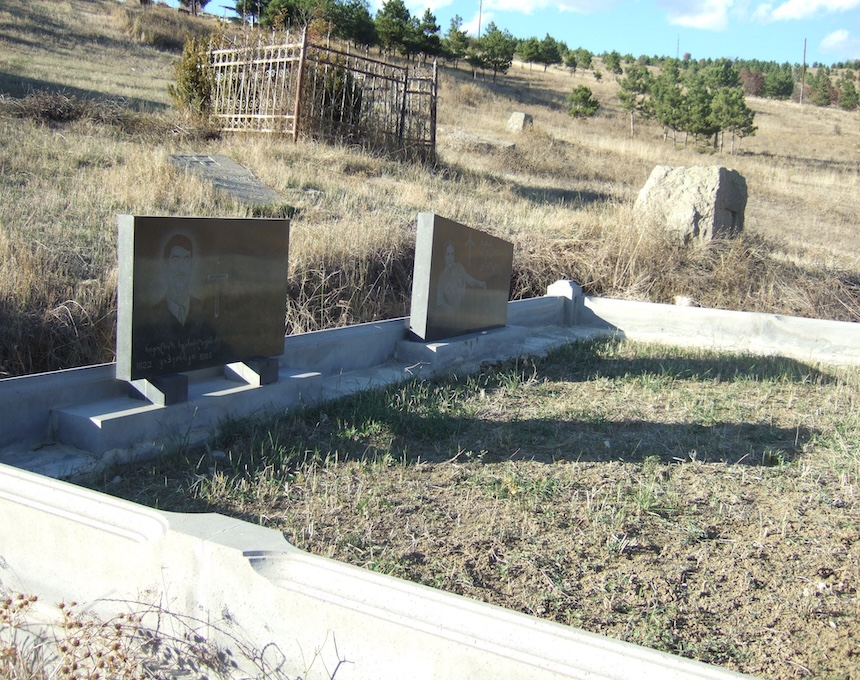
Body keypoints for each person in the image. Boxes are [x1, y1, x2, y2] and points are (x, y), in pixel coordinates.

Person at [436, 240, 485, 313]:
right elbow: (439, 301)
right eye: (448, 254)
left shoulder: (459, 267)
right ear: (444, 257)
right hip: (452, 313)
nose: (450, 257)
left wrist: (480, 283)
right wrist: (450, 310)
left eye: (452, 254)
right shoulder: (442, 276)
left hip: (465, 308)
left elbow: (469, 280)